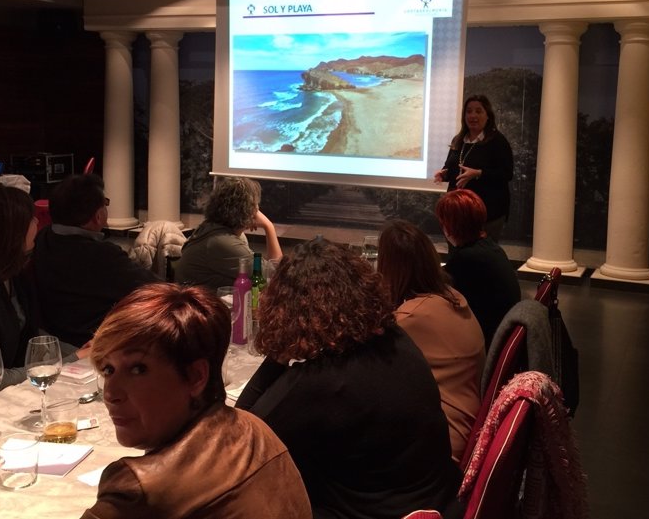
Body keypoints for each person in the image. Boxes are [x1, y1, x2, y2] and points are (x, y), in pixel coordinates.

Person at [236, 237, 461, 519]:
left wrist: (278, 354)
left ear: (288, 311)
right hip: (436, 502)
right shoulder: (395, 339)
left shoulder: (323, 381)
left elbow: (239, 441)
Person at [81, 282, 312, 519]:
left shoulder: (139, 488)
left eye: (138, 369)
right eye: (108, 369)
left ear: (195, 376)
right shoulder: (255, 430)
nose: (110, 394)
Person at [377, 219, 486, 463]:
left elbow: (362, 363)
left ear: (389, 268)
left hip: (440, 451)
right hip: (463, 430)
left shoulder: (411, 318)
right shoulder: (452, 297)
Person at [33, 174, 159, 346]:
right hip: (95, 343)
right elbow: (156, 288)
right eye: (105, 203)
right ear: (98, 216)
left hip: (53, 337)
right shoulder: (101, 256)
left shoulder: (42, 238)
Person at [0, 185, 83, 389]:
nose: (37, 222)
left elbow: (32, 337)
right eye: (29, 219)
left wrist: (84, 351)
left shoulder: (14, 275)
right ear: (10, 231)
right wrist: (73, 358)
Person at [436, 189, 521, 349]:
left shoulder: (466, 258)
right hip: (501, 339)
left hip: (484, 344)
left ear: (450, 226)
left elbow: (438, 297)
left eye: (443, 222)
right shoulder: (491, 248)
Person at [175, 176, 282, 290]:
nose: (257, 210)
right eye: (255, 206)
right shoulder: (222, 242)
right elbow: (276, 275)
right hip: (197, 305)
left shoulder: (213, 230)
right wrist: (269, 226)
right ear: (248, 210)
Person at [434, 94, 513, 242]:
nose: (473, 115)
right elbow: (451, 165)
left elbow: (507, 174)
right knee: (458, 255)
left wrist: (478, 173)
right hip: (457, 212)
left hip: (487, 212)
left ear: (488, 115)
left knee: (481, 257)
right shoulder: (458, 140)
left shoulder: (498, 141)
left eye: (478, 111)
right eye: (469, 111)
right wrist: (443, 173)